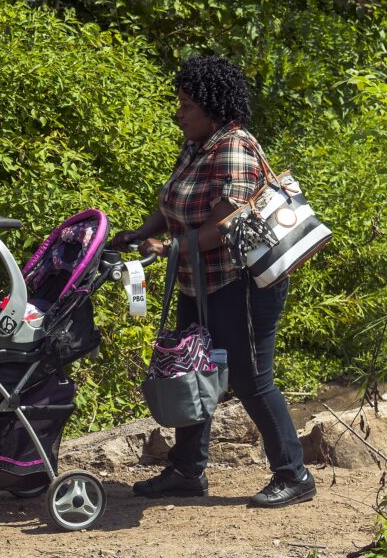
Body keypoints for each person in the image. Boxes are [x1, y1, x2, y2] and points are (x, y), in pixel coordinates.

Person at [111, 55, 316, 508]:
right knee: (191, 367)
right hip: (197, 281)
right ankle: (187, 471)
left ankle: (294, 474)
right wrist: (143, 233)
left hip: (240, 284)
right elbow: (175, 202)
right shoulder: (198, 143)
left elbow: (221, 227)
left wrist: (167, 249)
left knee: (251, 379)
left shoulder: (234, 147)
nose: (178, 113)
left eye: (186, 105)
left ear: (213, 108)